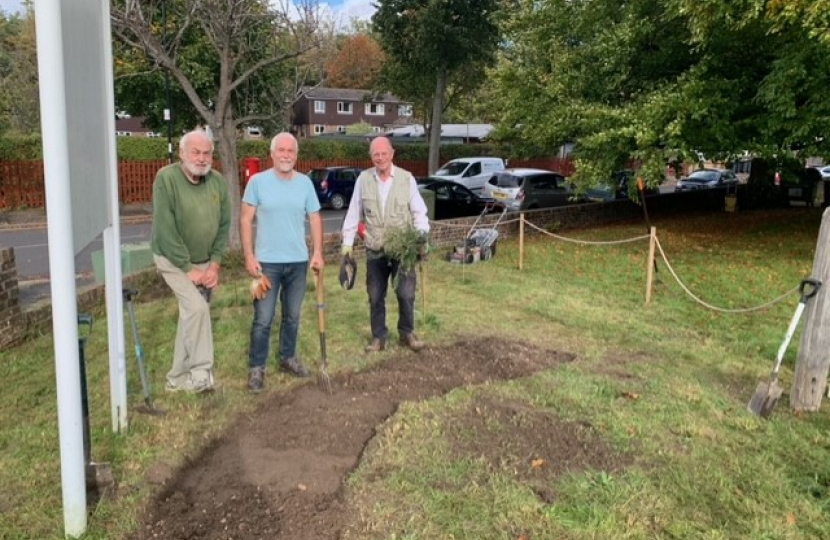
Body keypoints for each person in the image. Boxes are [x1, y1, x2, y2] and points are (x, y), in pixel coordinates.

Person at [241, 132, 324, 393]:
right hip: (266, 265)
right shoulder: (257, 182)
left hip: (298, 262)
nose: (286, 155)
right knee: (264, 318)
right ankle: (257, 368)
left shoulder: (305, 184)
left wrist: (318, 252)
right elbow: (245, 220)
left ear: (296, 155)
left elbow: (315, 218)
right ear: (272, 153)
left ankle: (288, 357)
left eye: (291, 151)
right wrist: (249, 256)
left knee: (293, 316)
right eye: (281, 150)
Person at [150, 130, 231, 393]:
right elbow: (165, 230)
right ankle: (200, 374)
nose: (202, 157)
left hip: (205, 261)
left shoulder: (217, 182)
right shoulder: (166, 178)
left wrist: (215, 265)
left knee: (190, 317)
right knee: (197, 310)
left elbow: (224, 225)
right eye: (195, 152)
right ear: (182, 153)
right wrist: (189, 269)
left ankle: (176, 378)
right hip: (172, 260)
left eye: (207, 152)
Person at [341, 136, 430, 353]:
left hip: (402, 249)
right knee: (375, 294)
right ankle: (378, 337)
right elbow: (354, 213)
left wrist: (421, 237)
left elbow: (419, 212)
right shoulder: (363, 180)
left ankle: (407, 333)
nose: (380, 158)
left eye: (384, 154)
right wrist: (347, 245)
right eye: (375, 154)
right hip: (375, 248)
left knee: (406, 293)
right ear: (371, 156)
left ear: (392, 154)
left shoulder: (406, 179)